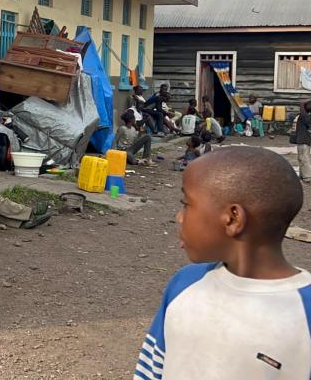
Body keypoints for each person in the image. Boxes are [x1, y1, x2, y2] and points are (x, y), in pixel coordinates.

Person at [133, 147, 311, 380]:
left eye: (186, 204)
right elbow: (151, 370)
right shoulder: (185, 283)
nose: (179, 216)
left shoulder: (304, 312)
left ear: (233, 218)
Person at [293, 99, 311, 183]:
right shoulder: (305, 115)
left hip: (304, 140)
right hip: (302, 140)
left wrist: (303, 103)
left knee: (304, 158)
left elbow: (302, 104)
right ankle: (303, 175)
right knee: (301, 158)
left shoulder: (305, 116)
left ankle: (307, 177)